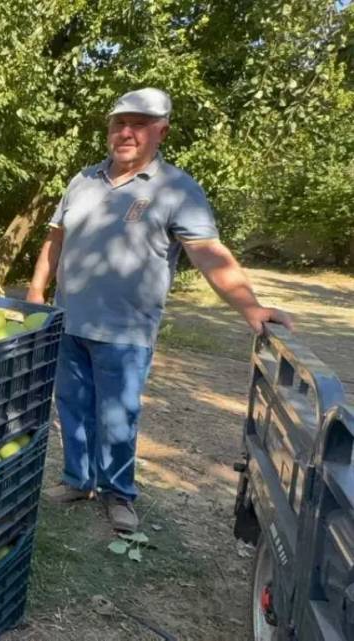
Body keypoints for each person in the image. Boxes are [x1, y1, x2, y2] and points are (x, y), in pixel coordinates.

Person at [26, 88, 293, 533]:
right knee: (71, 408)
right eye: (118, 123)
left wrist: (251, 307)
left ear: (161, 131)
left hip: (127, 332)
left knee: (118, 417)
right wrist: (36, 293)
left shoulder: (176, 189)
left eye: (139, 123)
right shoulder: (82, 181)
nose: (126, 132)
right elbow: (55, 239)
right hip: (68, 322)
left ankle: (118, 494)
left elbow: (208, 252)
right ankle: (78, 480)